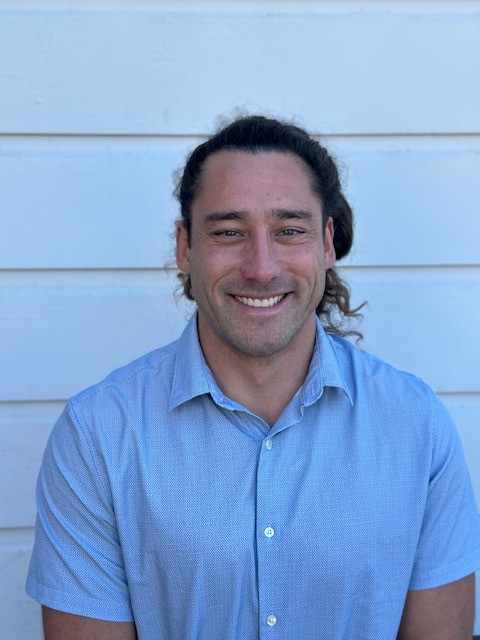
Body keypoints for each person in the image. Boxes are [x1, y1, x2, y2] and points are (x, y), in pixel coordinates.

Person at [27, 115, 480, 639]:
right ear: (184, 247)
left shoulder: (415, 424)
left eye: (289, 231)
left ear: (327, 244)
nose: (262, 267)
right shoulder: (98, 434)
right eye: (228, 232)